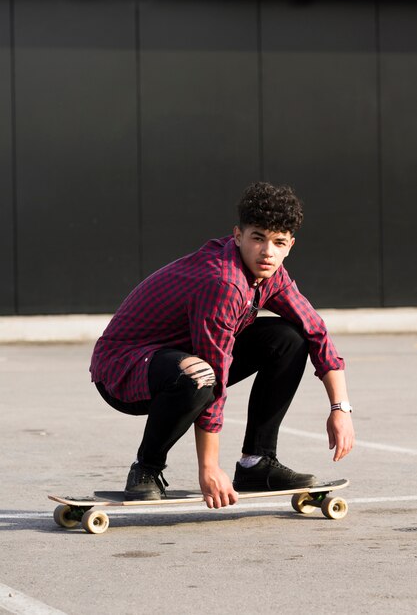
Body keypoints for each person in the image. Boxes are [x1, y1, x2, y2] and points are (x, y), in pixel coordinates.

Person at [90, 182, 355, 509]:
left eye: (278, 242)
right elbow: (214, 368)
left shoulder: (272, 273)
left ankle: (257, 462)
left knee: (289, 338)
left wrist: (339, 409)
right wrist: (209, 468)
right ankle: (146, 469)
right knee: (200, 375)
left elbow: (315, 330)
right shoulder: (223, 281)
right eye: (258, 238)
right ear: (237, 235)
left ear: (290, 246)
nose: (267, 251)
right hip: (123, 368)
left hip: (181, 359)